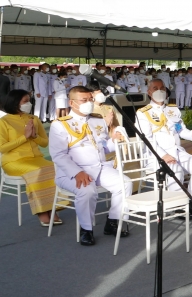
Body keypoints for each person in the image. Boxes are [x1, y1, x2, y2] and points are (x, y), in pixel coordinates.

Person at [49, 86, 131, 246]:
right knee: (87, 190)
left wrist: (114, 140)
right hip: (71, 172)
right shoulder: (60, 124)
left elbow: (102, 147)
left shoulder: (97, 120)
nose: (89, 103)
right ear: (72, 103)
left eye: (90, 99)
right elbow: (58, 155)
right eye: (84, 100)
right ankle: (86, 229)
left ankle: (113, 221)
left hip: (99, 167)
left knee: (125, 183)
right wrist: (77, 172)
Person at [136, 80, 192, 202]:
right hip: (156, 156)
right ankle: (177, 205)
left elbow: (180, 130)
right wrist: (163, 155)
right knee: (176, 170)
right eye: (155, 88)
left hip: (177, 152)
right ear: (149, 92)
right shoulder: (143, 113)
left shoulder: (172, 110)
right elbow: (146, 139)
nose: (159, 90)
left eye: (162, 88)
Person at [0, 90, 62, 226]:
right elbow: (2, 148)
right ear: (15, 103)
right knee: (37, 170)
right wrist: (24, 137)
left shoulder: (34, 119)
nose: (28, 104)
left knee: (54, 167)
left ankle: (52, 208)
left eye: (29, 100)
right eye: (25, 101)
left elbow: (44, 143)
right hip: (13, 161)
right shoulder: (4, 122)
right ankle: (42, 211)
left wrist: (34, 137)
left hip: (35, 158)